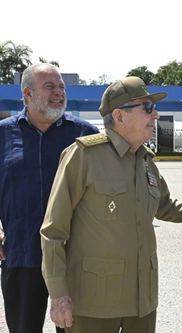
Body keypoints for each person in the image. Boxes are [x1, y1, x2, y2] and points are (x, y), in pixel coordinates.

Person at [40, 76, 182, 333]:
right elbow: (53, 231)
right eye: (147, 108)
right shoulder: (83, 157)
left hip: (142, 301)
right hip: (95, 302)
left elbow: (166, 206)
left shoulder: (145, 160)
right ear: (119, 116)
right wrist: (59, 294)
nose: (156, 115)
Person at [0, 63, 99, 333]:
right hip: (20, 255)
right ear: (28, 94)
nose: (59, 93)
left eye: (61, 87)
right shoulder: (2, 135)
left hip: (74, 259)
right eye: (50, 87)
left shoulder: (85, 136)